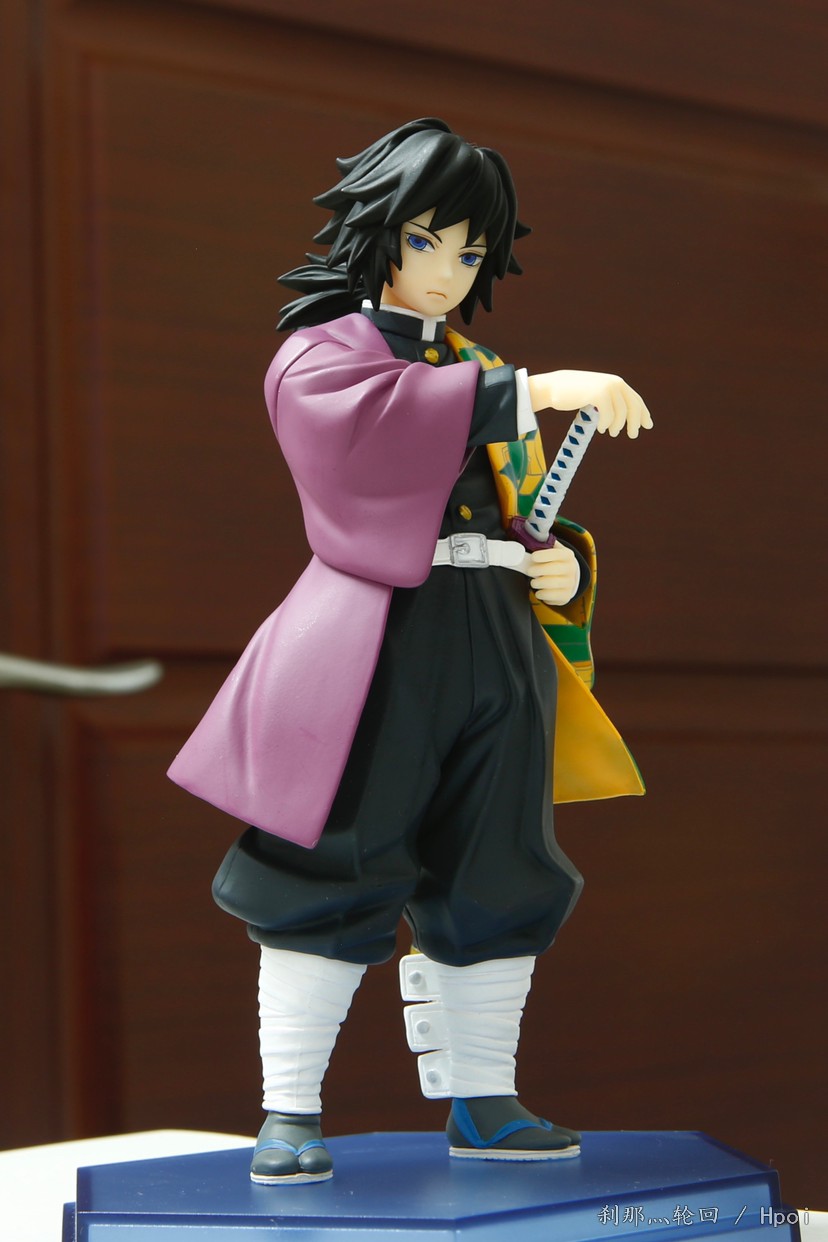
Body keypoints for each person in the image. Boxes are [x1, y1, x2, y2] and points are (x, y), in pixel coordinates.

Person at [168, 117, 652, 1185]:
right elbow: (360, 441)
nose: (446, 271)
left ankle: (485, 1098)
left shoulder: (479, 365)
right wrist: (528, 391)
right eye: (426, 240)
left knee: (500, 860)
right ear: (379, 230)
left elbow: (519, 504)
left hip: (493, 637)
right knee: (334, 855)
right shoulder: (324, 355)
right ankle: (290, 1109)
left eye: (470, 253)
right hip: (375, 644)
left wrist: (558, 567)